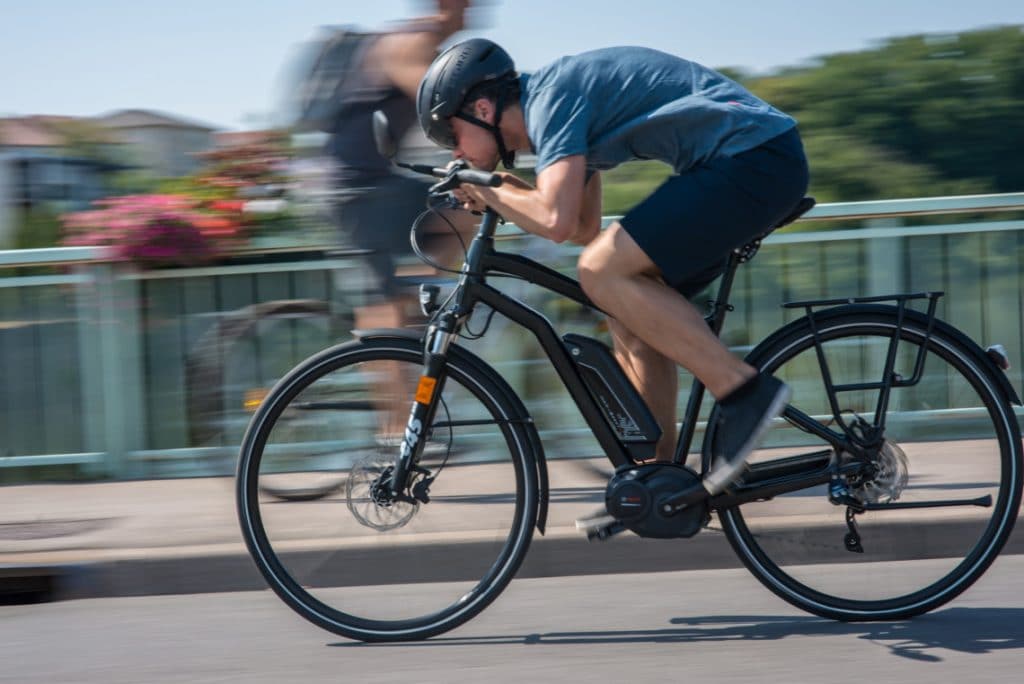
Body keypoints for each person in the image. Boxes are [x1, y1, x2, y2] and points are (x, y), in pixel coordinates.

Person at [416, 39, 810, 494]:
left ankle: (744, 392)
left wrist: (486, 189)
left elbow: (555, 222)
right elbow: (582, 225)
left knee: (600, 271)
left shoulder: (551, 100)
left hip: (751, 159)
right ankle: (657, 478)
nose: (455, 153)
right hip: (753, 160)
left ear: (482, 108)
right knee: (626, 307)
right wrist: (498, 187)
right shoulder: (555, 112)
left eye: (451, 136)